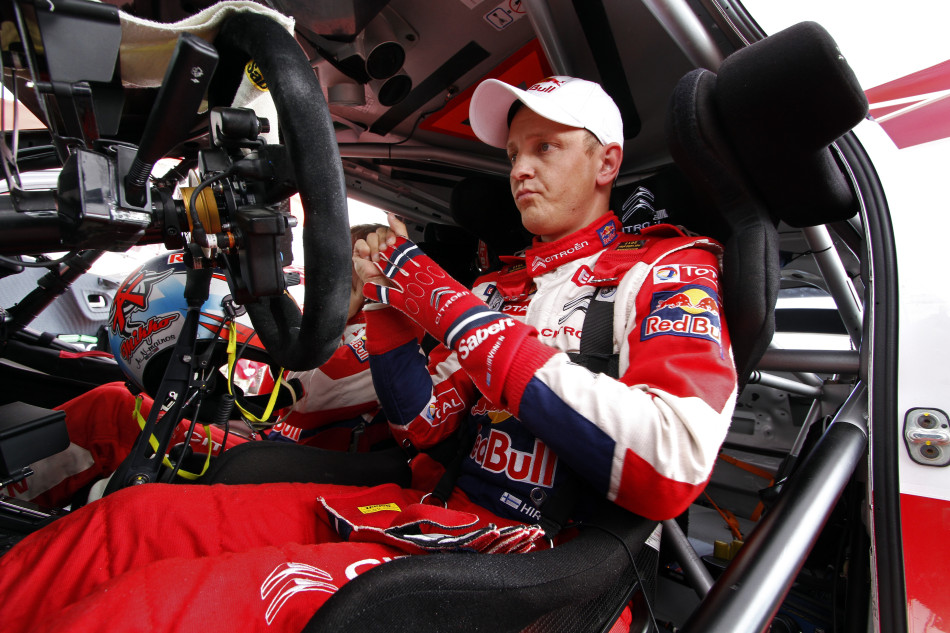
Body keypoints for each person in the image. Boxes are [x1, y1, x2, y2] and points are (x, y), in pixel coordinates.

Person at [0, 76, 736, 633]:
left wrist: (443, 302)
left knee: (146, 610)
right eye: (514, 153)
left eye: (546, 148)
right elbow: (424, 427)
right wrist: (386, 309)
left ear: (606, 162)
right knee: (132, 523)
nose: (520, 169)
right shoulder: (501, 287)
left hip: (524, 566)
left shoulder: (664, 270)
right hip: (424, 515)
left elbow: (671, 464)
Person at [0, 224, 390, 509]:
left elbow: (309, 397)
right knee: (116, 392)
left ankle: (11, 502)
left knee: (111, 412)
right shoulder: (341, 324)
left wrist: (347, 309)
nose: (327, 281)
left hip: (296, 464)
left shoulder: (381, 333)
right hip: (269, 441)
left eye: (341, 269)